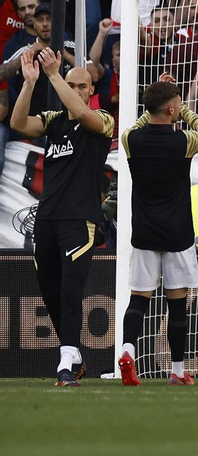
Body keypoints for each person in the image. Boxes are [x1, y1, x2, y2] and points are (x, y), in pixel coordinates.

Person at [11, 46, 113, 387]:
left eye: (83, 86)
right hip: (47, 218)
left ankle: (65, 361)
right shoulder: (54, 121)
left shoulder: (102, 122)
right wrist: (29, 83)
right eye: (74, 84)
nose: (79, 90)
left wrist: (56, 75)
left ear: (92, 91)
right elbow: (17, 122)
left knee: (71, 290)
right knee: (51, 292)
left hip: (79, 220)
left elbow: (84, 114)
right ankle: (74, 353)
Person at [116, 75, 198, 386]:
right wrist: (182, 106)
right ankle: (176, 371)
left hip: (144, 232)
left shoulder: (131, 139)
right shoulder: (182, 142)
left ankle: (128, 350)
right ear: (172, 110)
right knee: (177, 305)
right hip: (177, 233)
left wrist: (160, 99)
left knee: (138, 300)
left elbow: (137, 124)